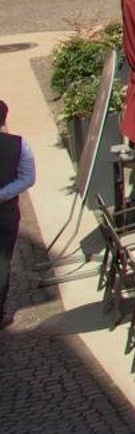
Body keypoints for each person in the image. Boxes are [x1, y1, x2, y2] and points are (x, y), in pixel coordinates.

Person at [0, 99, 35, 328]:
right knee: (2, 262)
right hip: (6, 211)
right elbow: (28, 178)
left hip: (5, 212)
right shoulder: (19, 145)